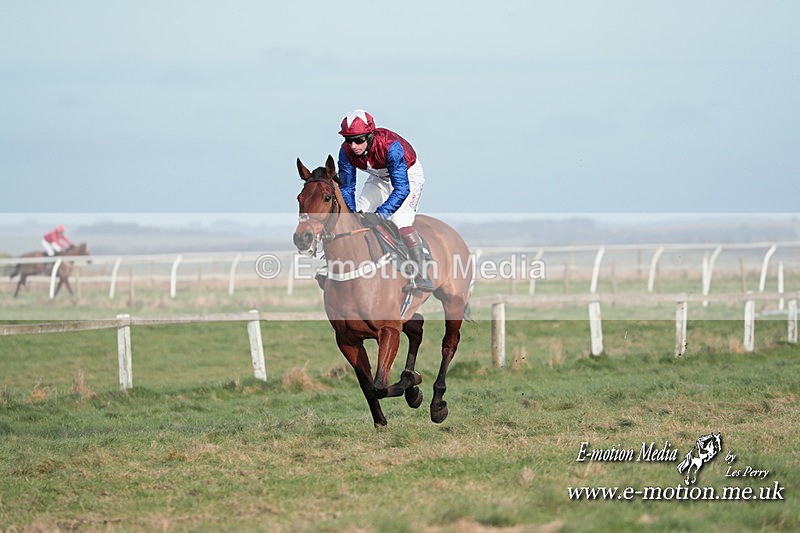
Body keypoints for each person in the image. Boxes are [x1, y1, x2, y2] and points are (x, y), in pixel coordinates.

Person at [337, 109, 435, 292]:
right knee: (357, 215)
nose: (353, 146)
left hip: (408, 176)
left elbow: (402, 188)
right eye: (348, 140)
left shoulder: (391, 147)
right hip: (379, 177)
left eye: (358, 139)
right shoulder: (346, 152)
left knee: (399, 220)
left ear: (370, 135)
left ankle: (422, 273)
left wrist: (381, 215)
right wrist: (352, 212)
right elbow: (347, 187)